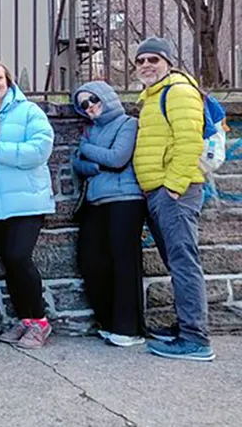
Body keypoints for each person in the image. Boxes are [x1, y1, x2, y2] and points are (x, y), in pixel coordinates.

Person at [132, 37, 214, 362]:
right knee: (176, 262)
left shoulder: (177, 91)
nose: (146, 65)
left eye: (153, 59)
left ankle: (195, 338)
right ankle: (186, 327)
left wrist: (173, 188)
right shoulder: (152, 96)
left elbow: (189, 141)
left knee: (183, 262)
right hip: (160, 191)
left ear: (168, 62)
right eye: (140, 61)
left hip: (174, 193)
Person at [0, 60, 55, 349]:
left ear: (8, 81)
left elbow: (39, 150)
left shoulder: (29, 111)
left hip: (26, 202)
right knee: (10, 263)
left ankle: (40, 321)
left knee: (20, 258)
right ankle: (25, 319)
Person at [71, 81, 147, 348]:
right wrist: (92, 162)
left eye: (93, 100)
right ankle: (108, 322)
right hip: (95, 201)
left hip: (125, 199)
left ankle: (130, 328)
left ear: (107, 97)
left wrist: (86, 151)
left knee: (124, 262)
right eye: (83, 104)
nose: (89, 107)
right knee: (90, 260)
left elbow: (118, 158)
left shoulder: (128, 123)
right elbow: (78, 166)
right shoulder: (90, 130)